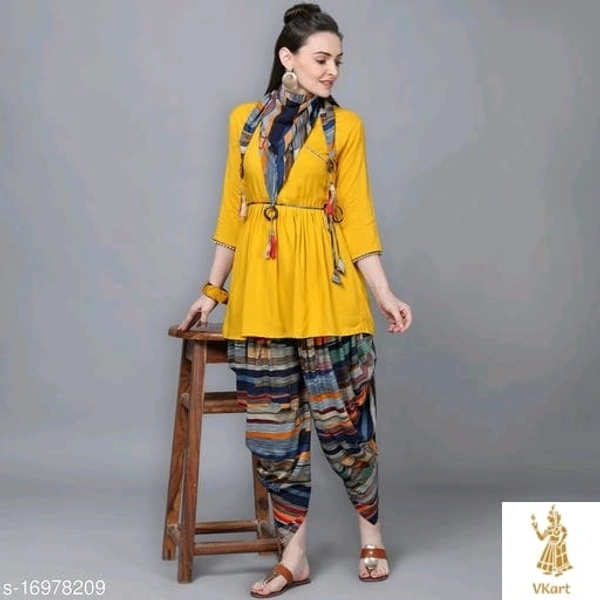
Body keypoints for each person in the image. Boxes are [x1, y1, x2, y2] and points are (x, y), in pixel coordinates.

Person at [178, 3, 412, 596]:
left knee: (345, 429)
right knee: (276, 438)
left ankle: (371, 536)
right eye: (321, 59)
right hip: (260, 301)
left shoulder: (345, 127)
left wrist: (384, 292)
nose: (332, 70)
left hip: (327, 299)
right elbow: (232, 214)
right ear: (288, 58)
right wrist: (211, 292)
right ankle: (295, 556)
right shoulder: (244, 122)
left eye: (338, 62)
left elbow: (357, 218)